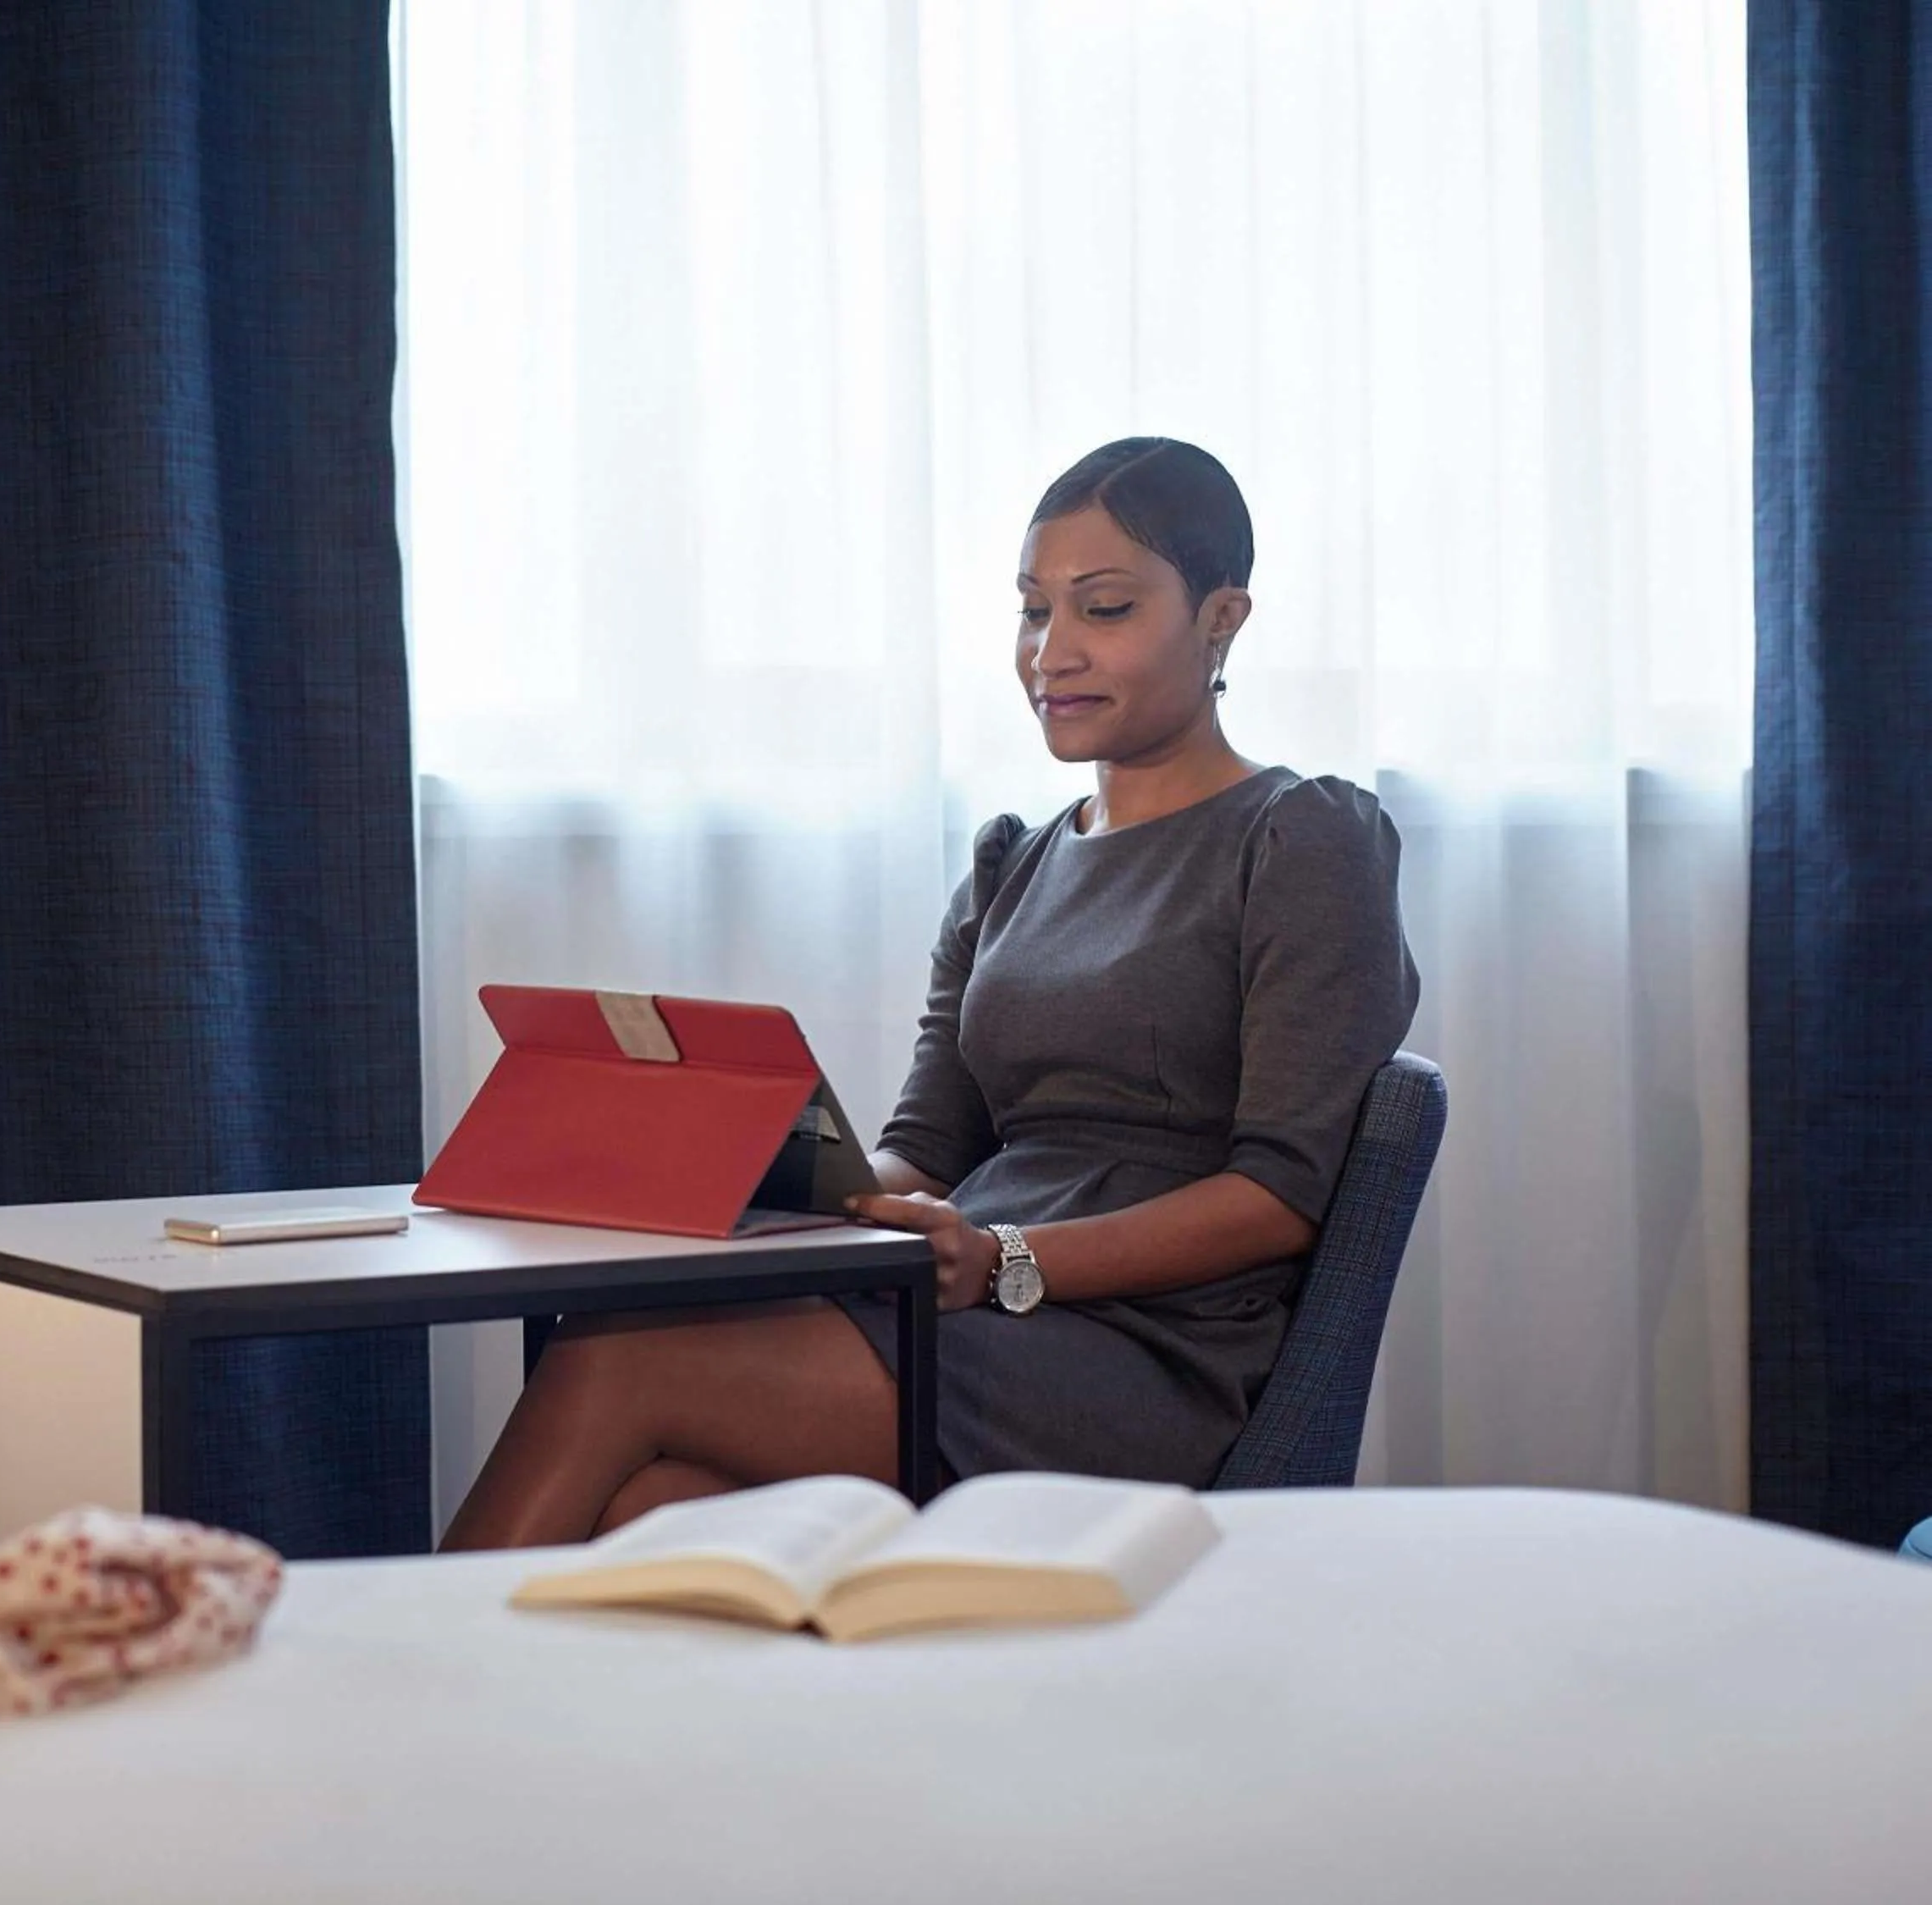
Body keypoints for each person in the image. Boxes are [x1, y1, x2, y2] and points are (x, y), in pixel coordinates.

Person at [438, 437, 1419, 1551]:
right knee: (654, 1511)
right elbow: (926, 1152)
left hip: (1142, 1352)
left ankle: (376, 1701)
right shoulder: (1011, 865)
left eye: (1103, 609)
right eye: (1031, 610)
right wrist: (754, 1193)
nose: (1052, 652)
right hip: (965, 1306)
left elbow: (1280, 1197)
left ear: (1221, 618)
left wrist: (1007, 1258)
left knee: (616, 1354)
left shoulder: (1303, 842)